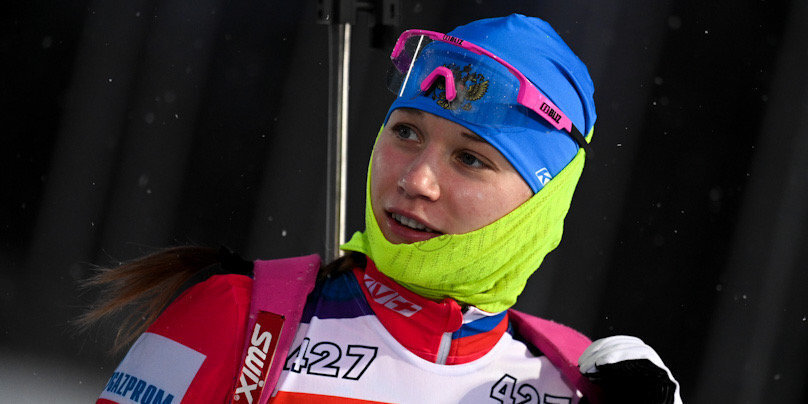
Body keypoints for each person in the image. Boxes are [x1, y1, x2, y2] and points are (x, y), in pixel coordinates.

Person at [84, 14, 682, 404]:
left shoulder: (579, 382)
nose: (416, 180)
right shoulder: (241, 320)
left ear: (541, 204)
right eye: (407, 133)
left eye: (470, 159)